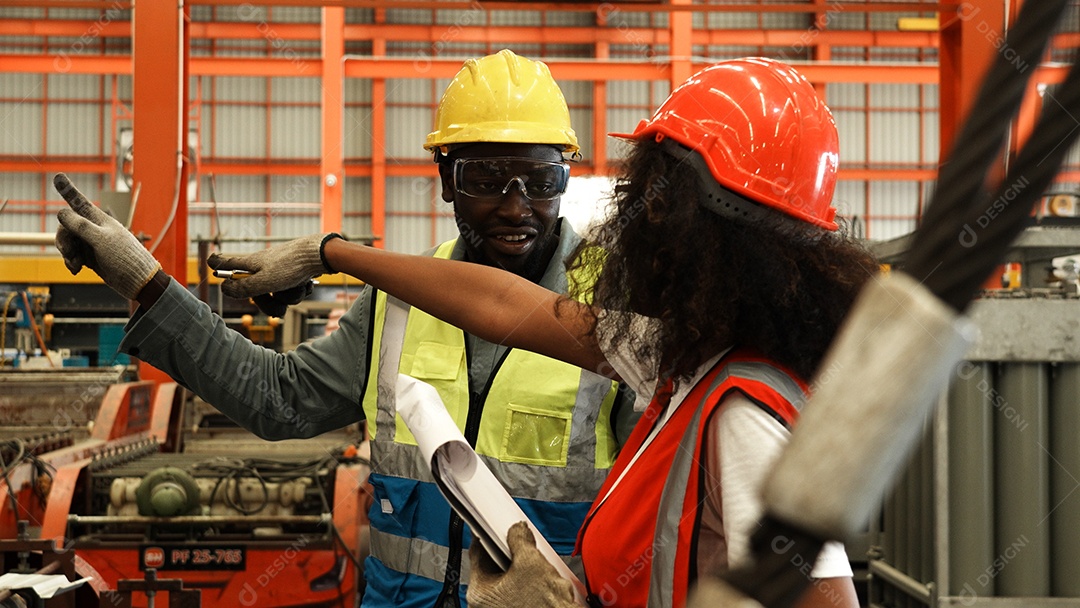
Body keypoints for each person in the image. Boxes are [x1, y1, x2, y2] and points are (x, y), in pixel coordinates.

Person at [181, 57, 877, 607]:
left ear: (715, 235)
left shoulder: (742, 415)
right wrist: (333, 253)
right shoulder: (679, 354)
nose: (636, 227)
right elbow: (507, 308)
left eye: (659, 203)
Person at [52, 49, 638, 608]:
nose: (516, 207)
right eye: (484, 179)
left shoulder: (619, 312)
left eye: (541, 180)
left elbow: (656, 513)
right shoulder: (398, 305)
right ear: (444, 183)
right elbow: (278, 398)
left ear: (566, 178)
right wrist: (147, 282)